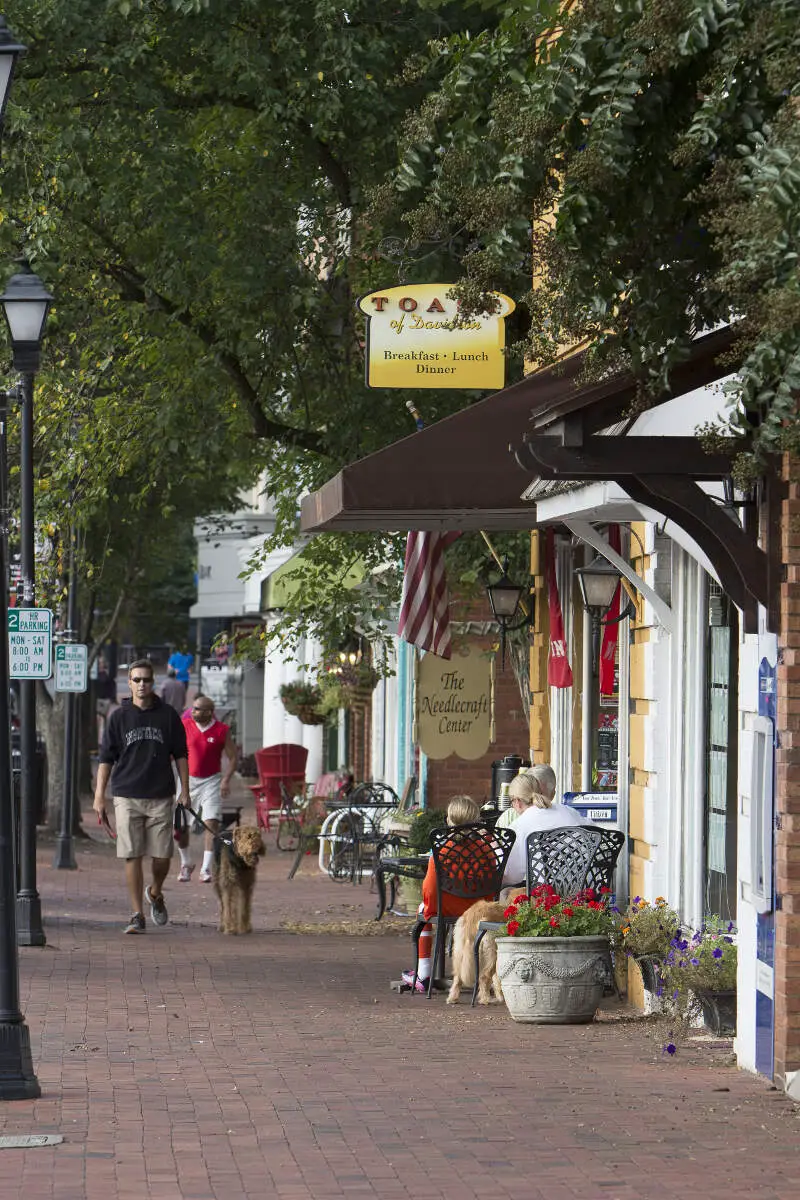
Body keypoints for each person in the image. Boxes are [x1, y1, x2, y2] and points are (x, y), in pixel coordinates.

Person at [93, 659, 190, 935]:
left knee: (162, 856)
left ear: (153, 683)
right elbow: (105, 758)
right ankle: (137, 914)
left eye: (146, 680)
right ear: (129, 683)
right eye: (136, 680)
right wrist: (100, 795)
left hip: (160, 794)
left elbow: (181, 754)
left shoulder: (168, 715)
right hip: (126, 794)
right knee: (131, 854)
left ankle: (155, 892)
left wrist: (186, 790)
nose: (142, 685)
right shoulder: (118, 717)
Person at [402, 795, 497, 994]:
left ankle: (424, 973)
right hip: (479, 907)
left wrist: (430, 907)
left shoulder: (441, 850)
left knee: (422, 910)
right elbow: (493, 879)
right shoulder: (486, 848)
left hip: (447, 907)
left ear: (449, 820)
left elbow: (430, 888)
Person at [175, 694, 238, 883]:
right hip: (187, 781)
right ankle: (186, 864)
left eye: (197, 709)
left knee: (211, 823)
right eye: (193, 708)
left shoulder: (221, 730)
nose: (192, 712)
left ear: (210, 712)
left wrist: (226, 780)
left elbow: (233, 757)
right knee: (179, 829)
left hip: (211, 780)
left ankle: (205, 868)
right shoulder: (185, 726)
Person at [501, 768, 588, 890]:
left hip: (546, 897)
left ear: (517, 801)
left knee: (505, 892)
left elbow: (511, 876)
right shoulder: (569, 811)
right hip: (585, 889)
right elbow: (596, 833)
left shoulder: (519, 826)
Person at [495, 763, 557, 830]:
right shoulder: (508, 817)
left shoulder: (558, 819)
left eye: (540, 794)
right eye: (527, 792)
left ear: (552, 795)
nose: (535, 799)